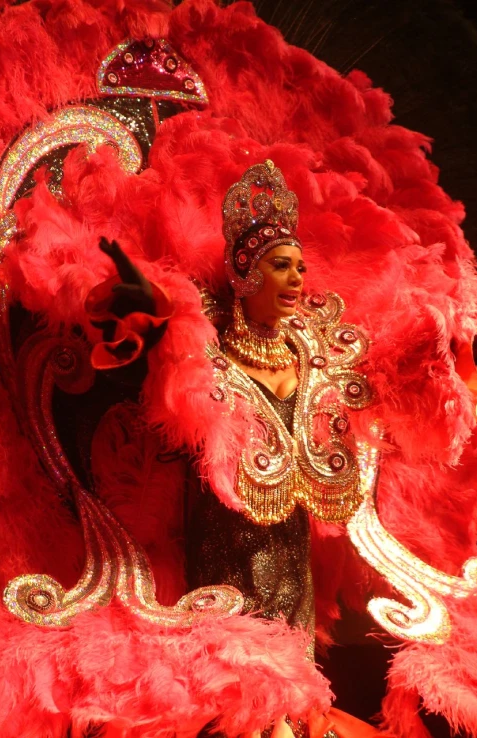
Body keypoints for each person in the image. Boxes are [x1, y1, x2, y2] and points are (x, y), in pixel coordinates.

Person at [86, 159, 380, 738]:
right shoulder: (202, 354)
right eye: (280, 266)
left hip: (294, 582)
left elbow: (394, 375)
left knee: (297, 714)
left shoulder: (318, 354)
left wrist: (466, 346)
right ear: (245, 273)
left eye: (299, 267)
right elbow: (151, 362)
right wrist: (142, 308)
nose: (297, 279)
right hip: (221, 586)